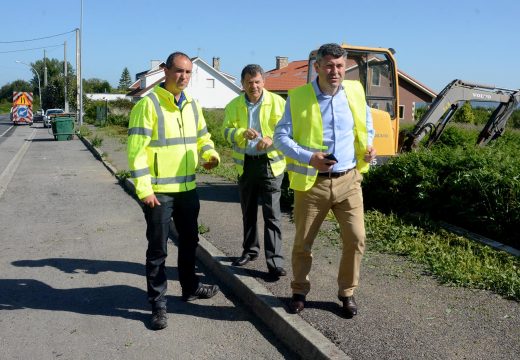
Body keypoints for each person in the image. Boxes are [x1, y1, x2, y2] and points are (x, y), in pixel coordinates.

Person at [273, 43, 377, 318]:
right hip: (312, 183)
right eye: (329, 65)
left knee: (356, 239)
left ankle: (347, 293)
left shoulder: (355, 91)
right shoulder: (298, 98)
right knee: (303, 243)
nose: (335, 71)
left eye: (340, 66)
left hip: (349, 180)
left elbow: (367, 124)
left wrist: (369, 146)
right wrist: (309, 157)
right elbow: (280, 137)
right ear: (317, 67)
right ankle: (298, 290)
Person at [127, 51, 221, 330]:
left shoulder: (192, 104)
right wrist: (144, 189)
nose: (184, 77)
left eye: (188, 73)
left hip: (187, 188)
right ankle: (158, 305)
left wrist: (211, 154)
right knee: (158, 250)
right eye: (179, 71)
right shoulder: (149, 104)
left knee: (190, 242)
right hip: (158, 192)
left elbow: (203, 137)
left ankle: (190, 287)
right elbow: (136, 152)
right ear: (165, 71)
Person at [223, 64, 287, 279]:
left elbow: (289, 131)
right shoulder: (233, 105)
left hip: (270, 165)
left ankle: (275, 262)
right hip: (246, 164)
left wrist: (271, 139)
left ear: (264, 82)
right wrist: (241, 132)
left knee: (272, 215)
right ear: (242, 84)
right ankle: (250, 251)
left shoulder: (279, 103)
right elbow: (226, 132)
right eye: (249, 82)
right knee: (248, 212)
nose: (254, 86)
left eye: (257, 81)